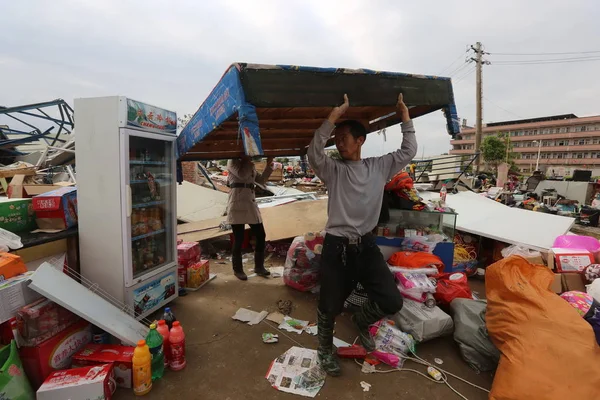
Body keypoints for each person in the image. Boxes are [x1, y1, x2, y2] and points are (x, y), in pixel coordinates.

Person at [307, 93, 417, 376]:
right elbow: (314, 153)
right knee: (329, 305)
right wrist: (333, 115)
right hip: (336, 247)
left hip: (366, 246)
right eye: (337, 137)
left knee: (392, 301)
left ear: (360, 140)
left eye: (345, 137)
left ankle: (361, 319)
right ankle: (323, 349)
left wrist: (404, 116)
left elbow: (408, 150)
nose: (339, 142)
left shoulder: (378, 167)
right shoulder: (332, 170)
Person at [226, 155, 274, 280]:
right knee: (239, 238)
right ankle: (238, 270)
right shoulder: (232, 161)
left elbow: (261, 180)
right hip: (237, 203)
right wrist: (247, 160)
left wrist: (268, 165)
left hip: (250, 203)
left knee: (260, 235)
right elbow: (242, 175)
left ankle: (259, 267)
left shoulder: (249, 164)